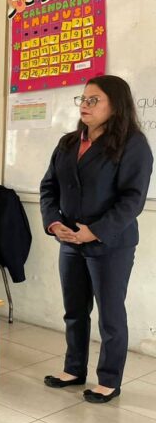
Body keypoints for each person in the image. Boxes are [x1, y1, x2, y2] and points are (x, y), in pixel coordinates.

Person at [40, 75, 152, 403]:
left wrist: (96, 230)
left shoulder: (133, 144)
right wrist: (53, 222)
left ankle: (109, 379)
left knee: (110, 314)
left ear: (115, 106)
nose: (85, 106)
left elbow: (133, 199)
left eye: (94, 100)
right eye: (83, 99)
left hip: (110, 243)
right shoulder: (68, 143)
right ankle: (74, 368)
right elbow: (49, 187)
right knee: (74, 310)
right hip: (70, 241)